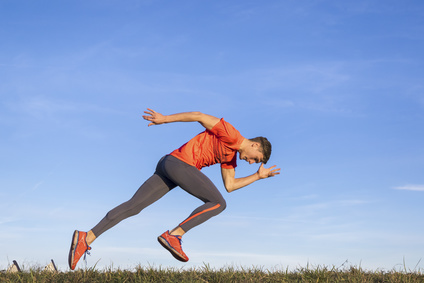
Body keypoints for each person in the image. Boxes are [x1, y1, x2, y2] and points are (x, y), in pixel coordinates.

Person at [68, 109, 280, 270]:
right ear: (255, 146)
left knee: (134, 206)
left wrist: (258, 177)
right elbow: (199, 116)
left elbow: (230, 186)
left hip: (168, 165)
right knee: (218, 204)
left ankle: (86, 237)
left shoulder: (230, 156)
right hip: (179, 164)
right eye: (256, 160)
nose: (252, 163)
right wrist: (164, 119)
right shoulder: (232, 134)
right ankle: (174, 235)